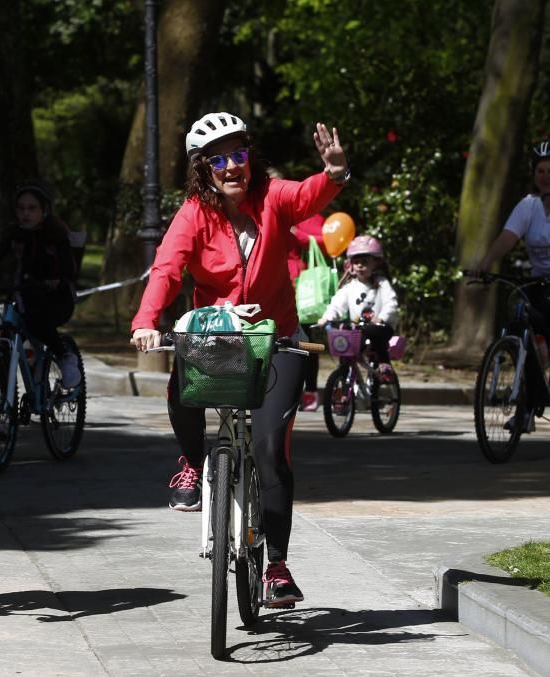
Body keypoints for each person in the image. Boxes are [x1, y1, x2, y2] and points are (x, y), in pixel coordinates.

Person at [130, 111, 349, 607]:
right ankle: (191, 462)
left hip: (278, 339)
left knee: (272, 450)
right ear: (201, 168)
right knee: (182, 377)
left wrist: (334, 174)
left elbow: (307, 195)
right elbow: (166, 268)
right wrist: (146, 322)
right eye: (218, 159)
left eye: (239, 153)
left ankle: (276, 565)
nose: (232, 166)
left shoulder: (271, 197)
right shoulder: (192, 213)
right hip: (221, 336)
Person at [470, 141, 550, 430]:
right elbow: (507, 237)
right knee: (518, 329)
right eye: (540, 170)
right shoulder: (528, 205)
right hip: (540, 279)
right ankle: (529, 403)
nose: (545, 176)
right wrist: (486, 262)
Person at [0, 179, 81, 387]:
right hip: (24, 296)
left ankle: (65, 357)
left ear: (44, 210)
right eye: (21, 208)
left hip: (56, 299)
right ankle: (7, 404)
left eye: (32, 208)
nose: (26, 214)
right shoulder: (14, 234)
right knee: (4, 342)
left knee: (37, 321)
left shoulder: (57, 235)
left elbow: (68, 270)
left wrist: (55, 281)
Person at [316, 235, 398, 371]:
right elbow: (336, 305)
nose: (360, 265)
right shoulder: (349, 287)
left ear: (375, 263)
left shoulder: (382, 283)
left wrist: (382, 318)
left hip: (380, 328)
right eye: (356, 262)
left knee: (375, 333)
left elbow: (391, 302)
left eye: (365, 262)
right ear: (351, 265)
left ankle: (385, 364)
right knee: (344, 335)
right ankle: (345, 380)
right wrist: (327, 318)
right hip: (358, 331)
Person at [286, 213, 328, 411]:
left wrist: (297, 234)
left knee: (306, 341)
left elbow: (326, 243)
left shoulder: (307, 215)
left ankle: (310, 390)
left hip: (301, 289)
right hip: (266, 285)